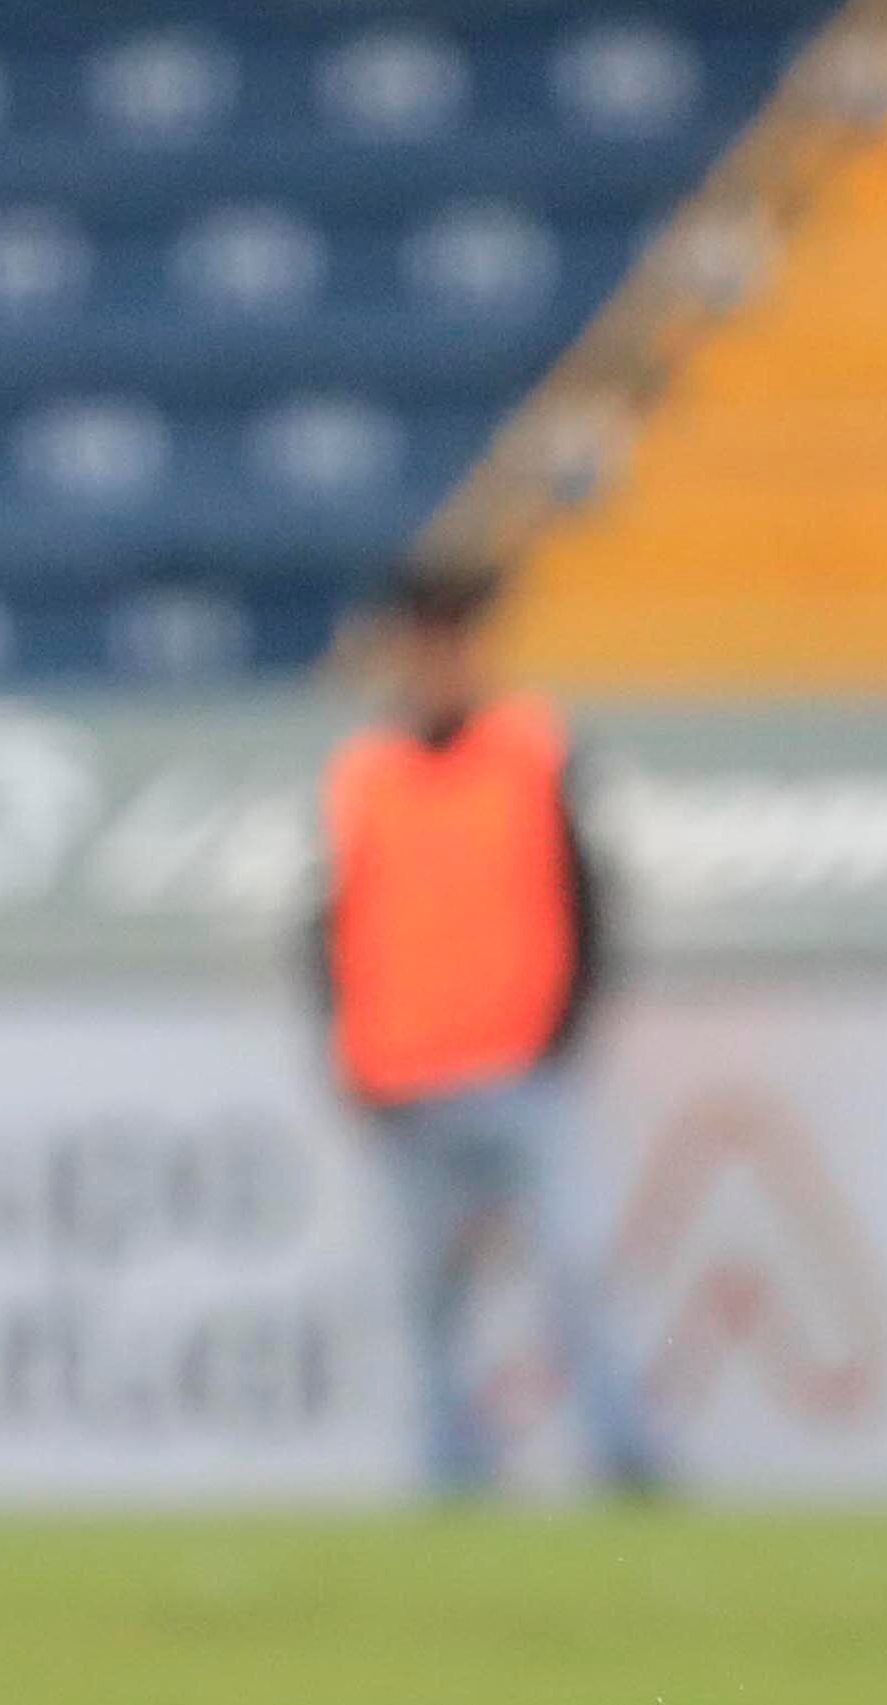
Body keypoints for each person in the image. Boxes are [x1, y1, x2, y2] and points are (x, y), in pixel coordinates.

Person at [319, 554, 665, 1499]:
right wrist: (351, 1052)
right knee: (429, 1296)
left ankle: (622, 1453)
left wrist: (563, 1034)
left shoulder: (533, 752)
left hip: (519, 1067)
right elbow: (333, 928)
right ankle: (452, 1470)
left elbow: (589, 905)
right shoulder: (366, 774)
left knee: (576, 1272)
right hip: (404, 1078)